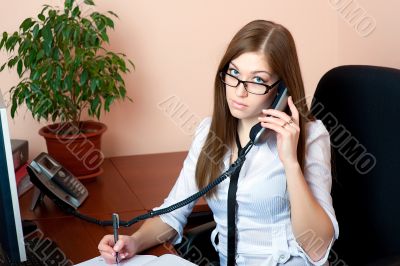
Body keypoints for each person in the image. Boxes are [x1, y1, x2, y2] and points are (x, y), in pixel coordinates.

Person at [98, 20, 339, 266]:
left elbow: (318, 246)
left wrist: (290, 163)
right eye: (234, 73)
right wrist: (134, 242)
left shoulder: (309, 136)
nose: (239, 91)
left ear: (281, 90)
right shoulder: (209, 133)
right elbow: (172, 212)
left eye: (257, 80)